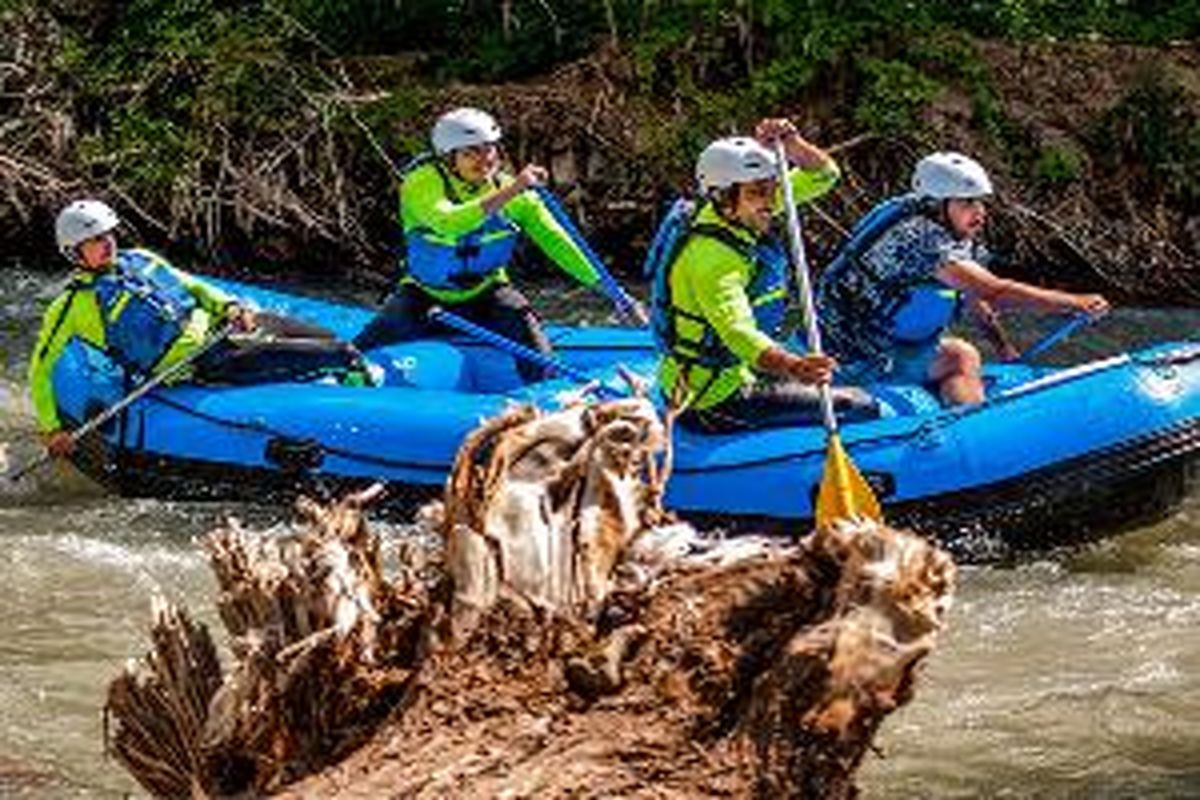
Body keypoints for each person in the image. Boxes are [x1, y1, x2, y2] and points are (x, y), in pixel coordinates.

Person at [30, 198, 369, 459]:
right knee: (341, 354)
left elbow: (193, 287)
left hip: (227, 328)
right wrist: (50, 429)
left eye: (107, 234)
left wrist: (229, 306)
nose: (107, 242)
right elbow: (40, 369)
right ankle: (363, 401)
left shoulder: (141, 259)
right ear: (74, 252)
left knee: (328, 338)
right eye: (94, 239)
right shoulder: (71, 306)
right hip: (206, 360)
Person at [352, 106, 643, 382]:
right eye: (471, 152)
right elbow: (447, 222)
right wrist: (514, 188)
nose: (485, 159)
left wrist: (614, 293)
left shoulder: (516, 194)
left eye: (489, 148)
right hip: (424, 296)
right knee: (357, 355)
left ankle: (545, 407)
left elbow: (562, 245)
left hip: (487, 293)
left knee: (538, 353)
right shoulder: (421, 183)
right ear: (447, 158)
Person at [816, 151, 1110, 404]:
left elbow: (974, 295)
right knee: (962, 356)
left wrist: (1002, 347)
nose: (980, 213)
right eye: (968, 203)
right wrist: (1073, 302)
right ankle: (973, 429)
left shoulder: (940, 228)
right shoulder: (919, 239)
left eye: (980, 203)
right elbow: (994, 291)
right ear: (938, 204)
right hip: (851, 355)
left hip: (872, 342)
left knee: (956, 349)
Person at [652, 117, 858, 434]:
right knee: (859, 406)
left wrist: (793, 145)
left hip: (728, 373)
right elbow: (738, 333)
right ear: (723, 198)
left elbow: (825, 175)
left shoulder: (737, 214)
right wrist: (794, 367)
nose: (770, 202)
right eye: (758, 193)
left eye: (773, 189)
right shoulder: (712, 258)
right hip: (712, 399)